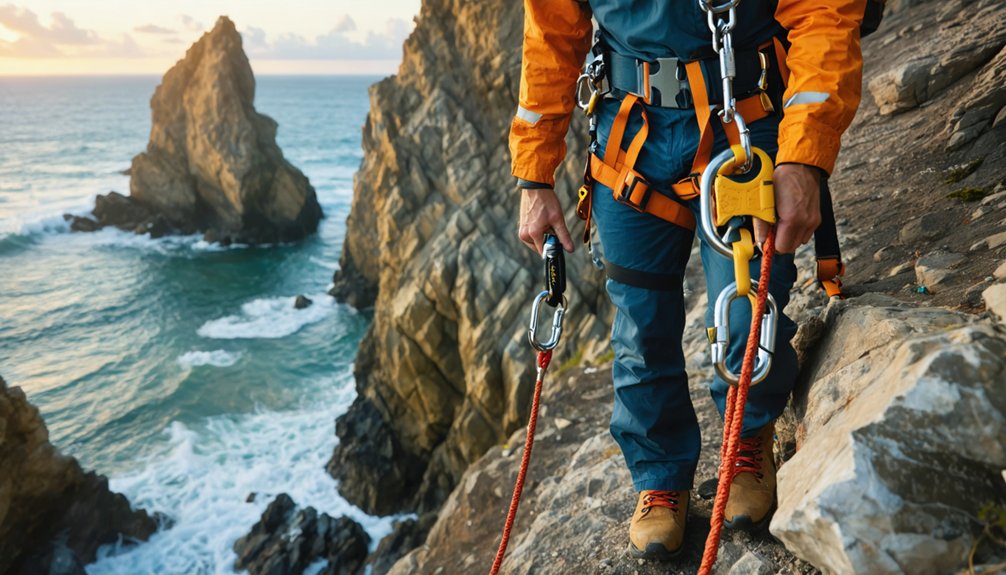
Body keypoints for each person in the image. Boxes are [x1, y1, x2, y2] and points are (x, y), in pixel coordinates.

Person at [509, 0, 865, 560]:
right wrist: (534, 174)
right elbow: (551, 33)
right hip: (630, 134)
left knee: (747, 308)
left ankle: (747, 438)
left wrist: (804, 157)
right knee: (640, 330)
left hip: (742, 115)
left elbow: (824, 12)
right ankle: (659, 475)